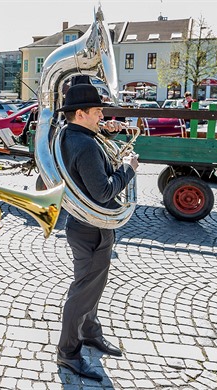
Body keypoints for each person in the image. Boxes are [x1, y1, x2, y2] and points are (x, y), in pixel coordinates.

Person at [55, 84, 138, 381]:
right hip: (93, 229)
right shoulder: (86, 145)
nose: (103, 115)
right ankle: (68, 353)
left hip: (85, 226)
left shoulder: (69, 134)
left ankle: (90, 332)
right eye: (98, 111)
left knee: (92, 287)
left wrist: (108, 132)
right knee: (82, 294)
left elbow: (91, 158)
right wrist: (128, 168)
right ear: (80, 113)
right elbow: (103, 191)